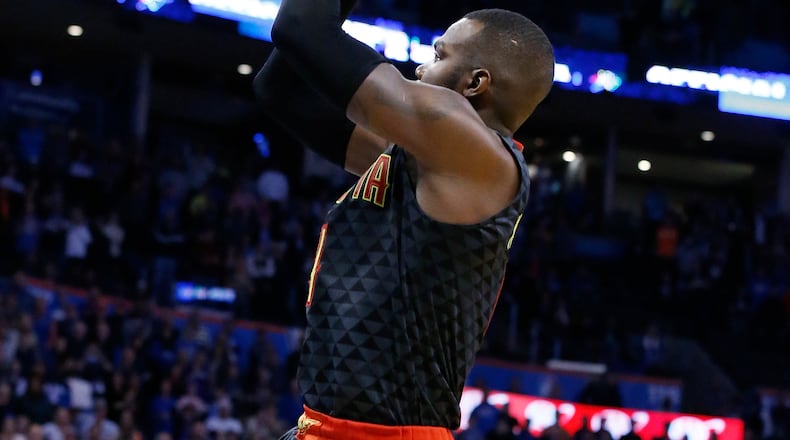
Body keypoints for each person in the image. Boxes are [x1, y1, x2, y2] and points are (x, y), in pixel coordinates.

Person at [254, 0, 554, 438]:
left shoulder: (474, 151)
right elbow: (281, 90)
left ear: (475, 84)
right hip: (325, 426)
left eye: (438, 56)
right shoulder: (428, 160)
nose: (418, 68)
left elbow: (300, 28)